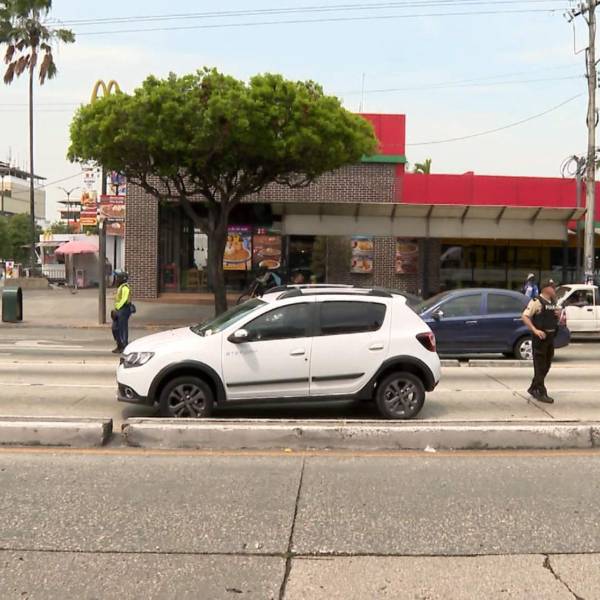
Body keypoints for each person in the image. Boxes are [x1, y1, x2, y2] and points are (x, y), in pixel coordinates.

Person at [521, 279, 562, 404]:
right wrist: (535, 330)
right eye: (552, 287)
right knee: (540, 367)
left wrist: (558, 315)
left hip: (550, 338)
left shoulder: (553, 302)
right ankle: (541, 392)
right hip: (540, 339)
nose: (554, 289)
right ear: (545, 289)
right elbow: (525, 316)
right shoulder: (536, 301)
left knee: (546, 366)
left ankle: (533, 388)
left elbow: (555, 319)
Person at [111, 270, 133, 354]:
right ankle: (119, 345)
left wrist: (117, 309)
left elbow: (124, 300)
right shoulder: (120, 287)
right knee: (115, 328)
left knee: (122, 329)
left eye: (118, 277)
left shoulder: (125, 288)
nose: (116, 279)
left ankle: (124, 346)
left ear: (121, 278)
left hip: (123, 310)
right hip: (119, 310)